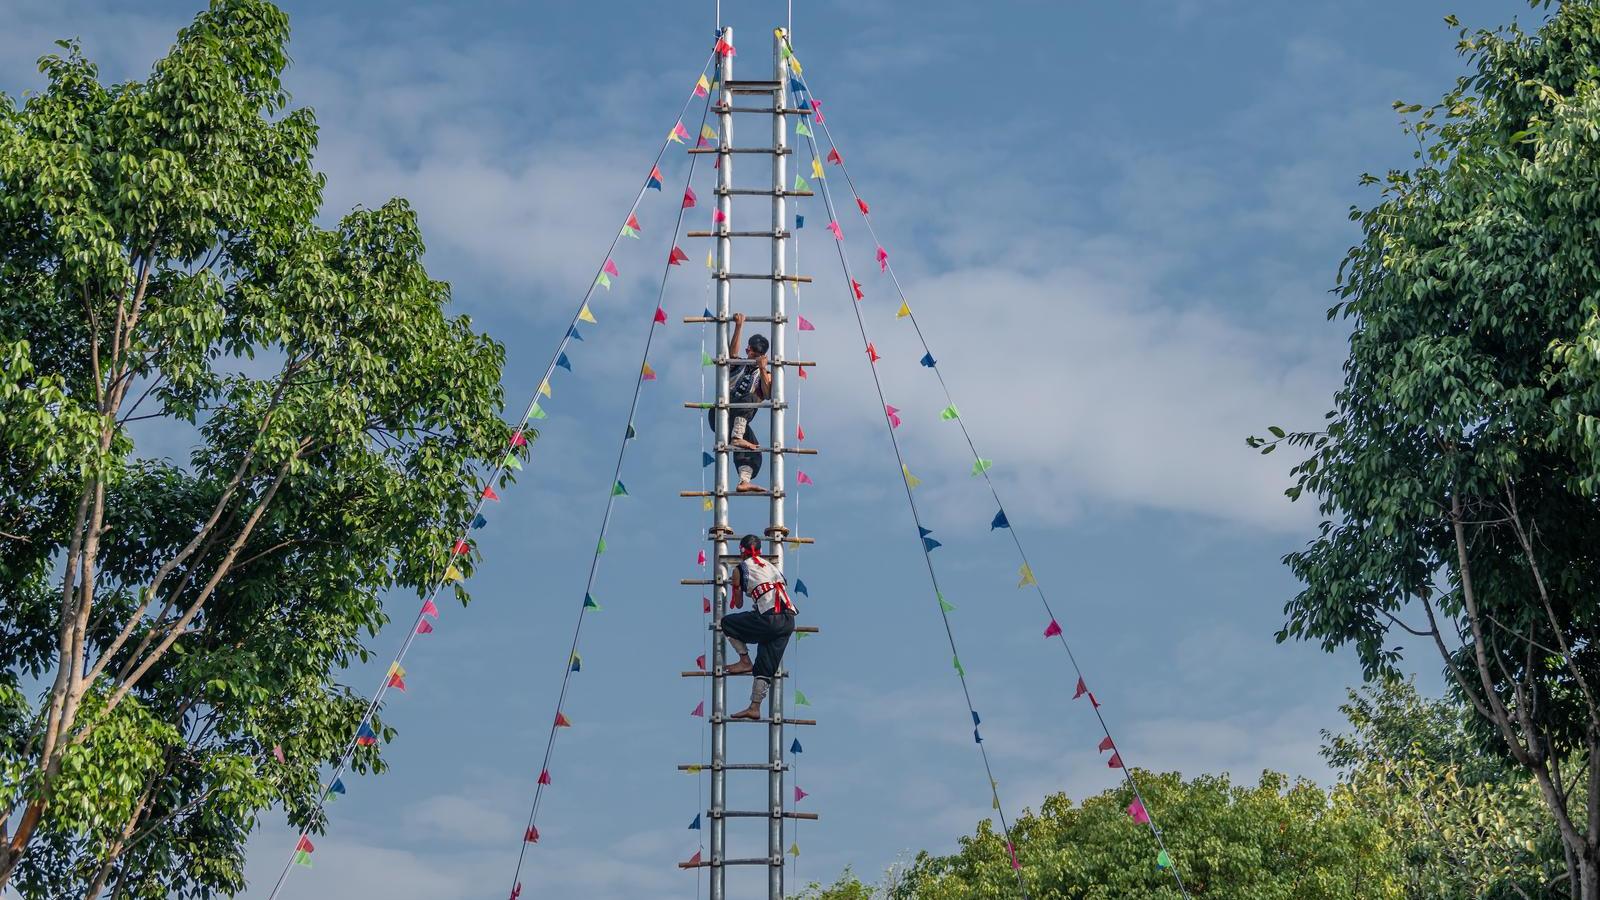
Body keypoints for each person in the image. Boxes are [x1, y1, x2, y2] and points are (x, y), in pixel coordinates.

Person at [722, 534, 796, 719]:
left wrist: (735, 585)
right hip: (788, 620)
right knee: (765, 665)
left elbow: (738, 603)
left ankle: (744, 661)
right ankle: (754, 707)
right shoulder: (771, 566)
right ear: (760, 551)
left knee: (728, 623)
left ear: (741, 552)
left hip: (769, 618)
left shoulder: (740, 569)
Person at [706, 312, 772, 493]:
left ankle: (744, 481)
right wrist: (739, 326)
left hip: (738, 422)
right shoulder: (738, 364)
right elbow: (732, 353)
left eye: (755, 353)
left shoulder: (765, 374)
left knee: (753, 449)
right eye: (749, 351)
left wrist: (762, 369)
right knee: (749, 399)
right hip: (720, 413)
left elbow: (767, 394)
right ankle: (737, 437)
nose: (751, 355)